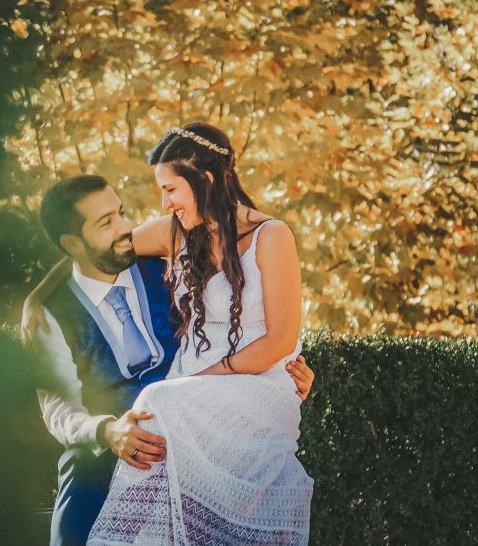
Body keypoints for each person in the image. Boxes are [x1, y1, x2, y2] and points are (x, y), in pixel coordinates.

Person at [24, 170, 314, 546]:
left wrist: (277, 379)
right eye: (106, 222)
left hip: (194, 425)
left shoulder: (170, 270)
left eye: (121, 213)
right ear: (72, 244)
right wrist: (107, 431)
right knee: (81, 477)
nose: (125, 227)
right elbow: (60, 410)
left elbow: (233, 333)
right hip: (115, 437)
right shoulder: (49, 316)